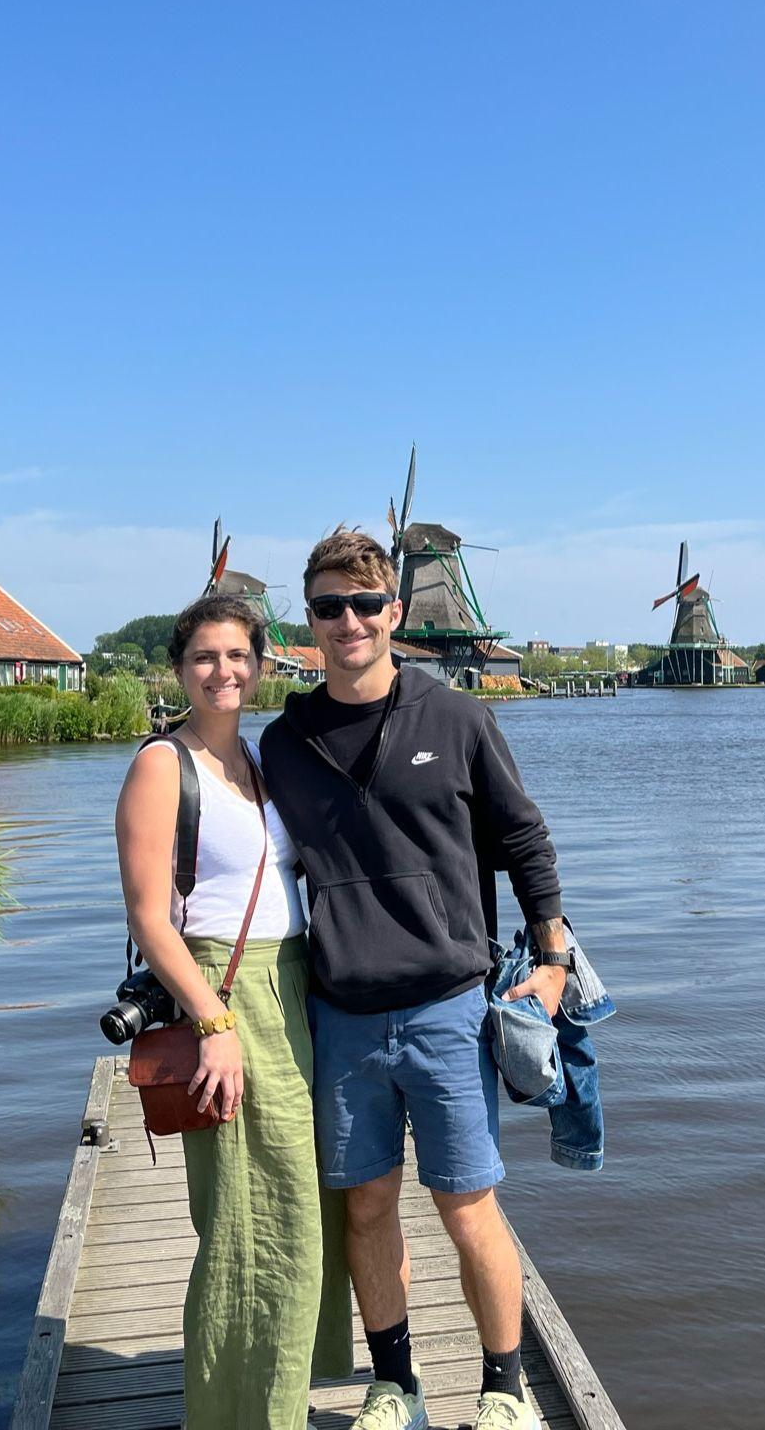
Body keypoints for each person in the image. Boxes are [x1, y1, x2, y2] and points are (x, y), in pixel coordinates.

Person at [260, 529, 571, 1430]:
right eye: (329, 607)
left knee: (470, 1207)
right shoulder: (283, 742)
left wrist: (551, 961)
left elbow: (525, 842)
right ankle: (396, 1385)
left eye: (365, 604)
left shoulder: (459, 719)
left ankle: (505, 1389)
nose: (348, 621)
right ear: (311, 621)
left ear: (396, 613)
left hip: (447, 1007)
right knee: (367, 1209)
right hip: (344, 1012)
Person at [114, 593, 351, 1429]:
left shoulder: (252, 761)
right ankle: (240, 1414)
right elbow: (150, 916)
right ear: (181, 668)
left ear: (260, 664)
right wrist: (214, 1023)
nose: (225, 670)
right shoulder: (160, 765)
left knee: (300, 1204)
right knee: (252, 1220)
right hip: (223, 988)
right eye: (207, 657)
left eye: (239, 656)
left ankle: (270, 1397)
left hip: (289, 990)